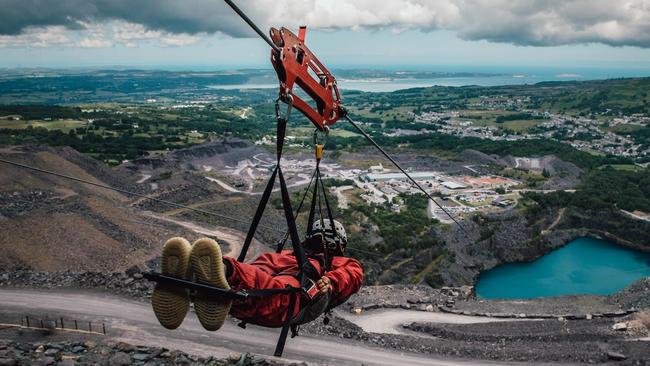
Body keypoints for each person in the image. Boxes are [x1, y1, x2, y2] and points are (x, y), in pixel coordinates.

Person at [151, 220, 364, 331]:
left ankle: (221, 271)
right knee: (261, 269)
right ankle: (204, 279)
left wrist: (331, 281)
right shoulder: (287, 256)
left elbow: (352, 275)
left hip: (299, 294)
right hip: (275, 284)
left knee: (276, 284)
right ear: (341, 244)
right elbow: (260, 268)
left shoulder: (337, 264)